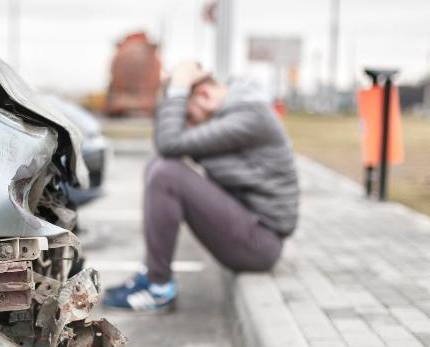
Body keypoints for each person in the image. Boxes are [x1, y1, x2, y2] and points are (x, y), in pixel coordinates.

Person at [101, 61, 299, 312]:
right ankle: (151, 273)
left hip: (261, 243)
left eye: (190, 118)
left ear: (204, 95)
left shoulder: (249, 116)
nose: (189, 127)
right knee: (160, 164)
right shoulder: (239, 110)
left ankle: (158, 287)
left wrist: (178, 88)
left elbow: (170, 142)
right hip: (249, 228)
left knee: (166, 172)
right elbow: (168, 145)